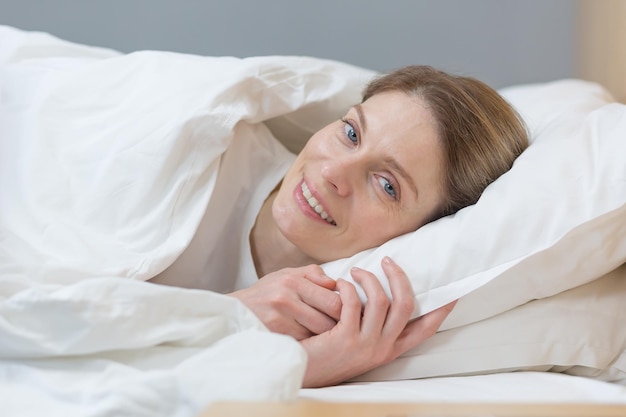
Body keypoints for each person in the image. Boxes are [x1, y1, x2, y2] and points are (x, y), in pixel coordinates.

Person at [150, 65, 529, 387]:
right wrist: (234, 316)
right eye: (351, 133)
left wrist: (303, 365)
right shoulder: (189, 153)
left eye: (386, 185)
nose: (332, 171)